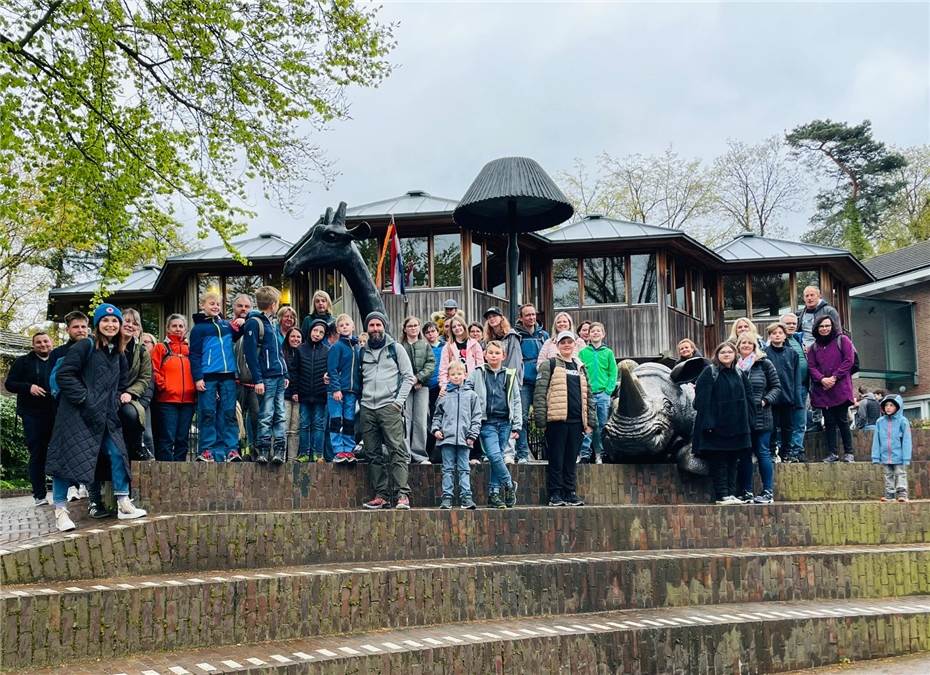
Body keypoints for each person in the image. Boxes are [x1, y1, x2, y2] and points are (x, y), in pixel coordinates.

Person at [45, 304, 147, 531]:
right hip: (75, 415)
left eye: (115, 322)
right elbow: (64, 375)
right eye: (105, 321)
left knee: (117, 453)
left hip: (105, 417)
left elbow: (120, 384)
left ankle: (124, 503)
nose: (110, 325)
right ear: (98, 324)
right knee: (67, 460)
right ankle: (61, 511)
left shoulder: (118, 354)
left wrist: (113, 401)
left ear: (120, 326)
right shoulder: (85, 346)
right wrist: (85, 399)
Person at [359, 311, 416, 510]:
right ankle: (381, 495)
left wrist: (398, 403)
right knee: (373, 453)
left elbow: (409, 377)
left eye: (378, 325)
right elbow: (357, 379)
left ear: (384, 327)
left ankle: (402, 495)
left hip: (389, 407)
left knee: (397, 450)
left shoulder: (396, 348)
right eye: (371, 325)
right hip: (367, 408)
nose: (375, 329)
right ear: (366, 328)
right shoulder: (362, 351)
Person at [534, 331, 595, 507]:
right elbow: (540, 392)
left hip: (577, 421)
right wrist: (541, 419)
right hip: (557, 421)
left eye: (570, 342)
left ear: (574, 345)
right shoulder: (549, 364)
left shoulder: (580, 367)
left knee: (570, 459)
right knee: (556, 458)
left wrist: (590, 422)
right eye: (563, 342)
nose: (567, 345)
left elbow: (589, 395)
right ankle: (555, 494)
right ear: (558, 345)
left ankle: (570, 493)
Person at [692, 342, 754, 505]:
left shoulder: (739, 373)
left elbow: (749, 398)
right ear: (717, 355)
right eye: (723, 352)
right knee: (719, 462)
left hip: (737, 427)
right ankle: (722, 494)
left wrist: (749, 422)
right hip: (716, 427)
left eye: (729, 352)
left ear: (735, 354)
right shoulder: (709, 372)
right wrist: (708, 423)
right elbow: (701, 400)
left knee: (733, 461)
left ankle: (731, 493)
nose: (726, 354)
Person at [468, 340, 521, 509]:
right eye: (490, 352)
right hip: (487, 422)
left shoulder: (510, 375)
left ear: (503, 356)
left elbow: (516, 400)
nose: (493, 356)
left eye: (497, 353)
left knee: (495, 458)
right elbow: (467, 388)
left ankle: (494, 494)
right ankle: (509, 484)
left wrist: (517, 425)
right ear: (485, 354)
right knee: (494, 455)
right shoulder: (478, 372)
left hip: (505, 422)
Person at [5, 331, 56, 506]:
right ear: (33, 345)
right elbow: (9, 384)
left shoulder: (58, 360)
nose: (43, 345)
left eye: (46, 341)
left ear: (52, 342)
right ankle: (39, 495)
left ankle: (67, 490)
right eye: (39, 342)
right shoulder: (22, 362)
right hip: (32, 414)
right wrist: (28, 387)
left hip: (56, 413)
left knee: (59, 451)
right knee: (38, 453)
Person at [190, 291, 240, 463]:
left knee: (229, 412)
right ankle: (207, 450)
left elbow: (239, 334)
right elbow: (195, 354)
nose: (215, 307)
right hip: (208, 376)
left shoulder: (226, 325)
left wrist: (242, 321)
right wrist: (197, 377)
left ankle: (232, 449)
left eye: (218, 304)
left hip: (228, 376)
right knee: (208, 412)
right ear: (202, 305)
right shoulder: (198, 329)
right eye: (211, 304)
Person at [243, 285, 289, 465]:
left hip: (278, 376)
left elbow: (278, 352)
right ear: (273, 304)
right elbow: (251, 354)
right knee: (266, 414)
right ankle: (262, 450)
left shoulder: (272, 323)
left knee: (280, 414)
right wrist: (258, 379)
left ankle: (279, 451)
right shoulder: (255, 323)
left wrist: (285, 373)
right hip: (267, 377)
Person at [734, 335, 781, 504]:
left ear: (755, 346)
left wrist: (765, 400)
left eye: (749, 343)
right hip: (741, 417)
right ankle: (746, 491)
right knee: (744, 454)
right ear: (738, 347)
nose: (746, 345)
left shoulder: (764, 364)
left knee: (763, 452)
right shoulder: (734, 366)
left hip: (762, 415)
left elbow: (776, 387)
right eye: (743, 343)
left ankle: (767, 491)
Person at [432, 362, 482, 510]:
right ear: (448, 376)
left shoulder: (472, 395)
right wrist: (436, 430)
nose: (456, 377)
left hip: (465, 439)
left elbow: (476, 417)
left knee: (464, 469)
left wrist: (472, 435)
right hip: (446, 439)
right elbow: (437, 415)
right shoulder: (444, 395)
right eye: (453, 374)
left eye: (459, 374)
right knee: (447, 469)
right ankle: (447, 497)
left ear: (465, 375)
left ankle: (466, 497)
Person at [807, 316, 856, 463]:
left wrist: (834, 377)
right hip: (824, 389)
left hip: (840, 387)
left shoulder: (843, 340)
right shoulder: (814, 347)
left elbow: (849, 360)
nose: (824, 328)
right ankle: (832, 453)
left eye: (827, 325)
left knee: (842, 419)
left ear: (832, 326)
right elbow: (811, 366)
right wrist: (822, 379)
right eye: (821, 326)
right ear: (817, 328)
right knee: (828, 421)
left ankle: (849, 452)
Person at [150, 314, 196, 461]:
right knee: (167, 438)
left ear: (186, 329)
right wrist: (163, 386)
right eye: (174, 326)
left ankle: (180, 473)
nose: (178, 329)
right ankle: (165, 471)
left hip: (188, 401)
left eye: (181, 326)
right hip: (167, 400)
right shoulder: (160, 348)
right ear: (168, 328)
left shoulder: (191, 349)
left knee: (182, 439)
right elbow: (153, 369)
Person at [116, 308, 155, 462]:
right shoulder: (109, 347)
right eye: (127, 321)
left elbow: (145, 378)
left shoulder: (141, 351)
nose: (131, 325)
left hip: (133, 398)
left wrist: (131, 393)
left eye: (135, 323)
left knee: (141, 429)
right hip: (111, 396)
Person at [291, 318, 331, 462]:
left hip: (321, 394)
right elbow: (295, 372)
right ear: (310, 331)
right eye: (315, 330)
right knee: (304, 423)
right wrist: (295, 391)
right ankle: (303, 453)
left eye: (321, 332)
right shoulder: (301, 349)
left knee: (319, 424)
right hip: (304, 392)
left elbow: (330, 370)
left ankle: (318, 453)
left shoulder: (327, 350)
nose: (317, 334)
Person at [578, 322, 617, 465]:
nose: (595, 333)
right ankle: (585, 453)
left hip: (602, 394)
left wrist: (608, 390)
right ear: (588, 334)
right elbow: (580, 372)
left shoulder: (608, 353)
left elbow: (613, 372)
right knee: (587, 423)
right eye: (592, 331)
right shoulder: (583, 353)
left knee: (602, 424)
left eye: (598, 331)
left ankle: (600, 453)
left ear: (603, 334)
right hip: (587, 394)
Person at [764, 322, 802, 465]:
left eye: (780, 333)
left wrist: (796, 398)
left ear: (785, 335)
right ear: (770, 336)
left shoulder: (792, 353)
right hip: (771, 398)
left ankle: (786, 453)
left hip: (788, 396)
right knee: (772, 427)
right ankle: (773, 452)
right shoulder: (764, 353)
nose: (777, 335)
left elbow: (797, 376)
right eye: (774, 333)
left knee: (788, 427)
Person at [514, 304, 548, 464]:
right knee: (522, 418)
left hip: (542, 382)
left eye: (533, 314)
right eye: (527, 315)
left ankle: (549, 452)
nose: (531, 318)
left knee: (547, 417)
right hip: (523, 383)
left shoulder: (544, 335)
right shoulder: (516, 335)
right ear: (521, 317)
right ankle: (522, 453)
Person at [400, 316, 435, 465]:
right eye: (410, 326)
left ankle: (420, 454)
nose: (413, 328)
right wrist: (409, 381)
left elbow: (431, 364)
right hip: (404, 388)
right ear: (405, 329)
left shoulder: (425, 345)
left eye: (416, 325)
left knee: (420, 420)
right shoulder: (400, 346)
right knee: (405, 420)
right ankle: (405, 454)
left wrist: (419, 378)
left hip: (422, 387)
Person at [327, 313, 361, 463]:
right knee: (336, 419)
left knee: (349, 421)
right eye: (341, 325)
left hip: (352, 391)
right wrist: (335, 389)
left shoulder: (357, 348)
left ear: (353, 327)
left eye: (347, 324)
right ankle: (338, 450)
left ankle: (348, 450)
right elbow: (332, 369)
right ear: (338, 329)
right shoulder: (337, 347)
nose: (345, 327)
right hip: (338, 390)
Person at [231, 293, 258, 459]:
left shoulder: (255, 326)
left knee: (256, 415)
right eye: (240, 306)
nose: (243, 309)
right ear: (234, 308)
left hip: (254, 382)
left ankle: (253, 450)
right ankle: (236, 449)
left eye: (247, 306)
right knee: (235, 417)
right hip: (235, 381)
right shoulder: (228, 327)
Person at [871, 394, 912, 503]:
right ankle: (890, 495)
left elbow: (907, 440)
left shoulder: (903, 421)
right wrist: (875, 456)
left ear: (898, 407)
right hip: (885, 455)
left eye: (891, 405)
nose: (888, 407)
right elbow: (876, 440)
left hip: (899, 455)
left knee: (900, 473)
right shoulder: (880, 422)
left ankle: (902, 494)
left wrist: (906, 457)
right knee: (888, 475)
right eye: (886, 405)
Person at [780, 313, 809, 463]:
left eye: (793, 323)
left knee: (800, 421)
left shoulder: (798, 339)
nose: (791, 325)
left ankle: (797, 450)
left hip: (803, 387)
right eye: (788, 323)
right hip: (786, 389)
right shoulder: (779, 342)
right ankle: (786, 450)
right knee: (786, 422)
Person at [438, 316, 484, 393]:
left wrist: (479, 383)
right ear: (451, 330)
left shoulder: (474, 344)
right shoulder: (448, 347)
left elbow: (480, 366)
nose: (457, 328)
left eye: (459, 325)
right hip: (453, 384)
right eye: (454, 327)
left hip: (472, 383)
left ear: (464, 326)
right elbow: (443, 369)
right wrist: (443, 385)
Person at [482, 307, 523, 383]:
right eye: (489, 317)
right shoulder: (487, 339)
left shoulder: (511, 336)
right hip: (491, 379)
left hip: (508, 378)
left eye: (494, 316)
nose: (491, 319)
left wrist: (510, 380)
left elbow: (515, 361)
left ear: (501, 318)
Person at [423, 321, 444, 461]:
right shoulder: (424, 348)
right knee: (429, 419)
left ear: (438, 332)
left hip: (440, 387)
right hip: (427, 387)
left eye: (433, 331)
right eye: (428, 332)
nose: (431, 334)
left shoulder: (445, 347)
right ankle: (429, 450)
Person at [282, 327, 303, 461]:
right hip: (285, 395)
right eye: (293, 336)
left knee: (295, 429)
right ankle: (281, 457)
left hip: (300, 395)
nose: (295, 339)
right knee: (283, 427)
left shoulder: (303, 353)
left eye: (298, 337)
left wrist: (298, 391)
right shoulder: (282, 353)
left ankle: (292, 459)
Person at [797, 286, 842, 350]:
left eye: (812, 295)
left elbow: (838, 332)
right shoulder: (800, 313)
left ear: (819, 296)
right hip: (803, 349)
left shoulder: (829, 311)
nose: (809, 298)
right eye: (807, 296)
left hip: (823, 348)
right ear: (804, 298)